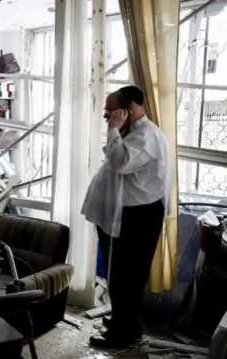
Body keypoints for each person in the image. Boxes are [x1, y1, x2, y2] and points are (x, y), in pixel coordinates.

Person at [81, 85, 172, 348]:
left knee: (126, 277)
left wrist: (112, 130)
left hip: (137, 218)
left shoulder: (146, 136)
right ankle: (125, 321)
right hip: (126, 215)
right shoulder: (133, 132)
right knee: (119, 274)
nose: (106, 117)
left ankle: (123, 335)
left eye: (110, 112)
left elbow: (119, 162)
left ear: (127, 110)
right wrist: (116, 131)